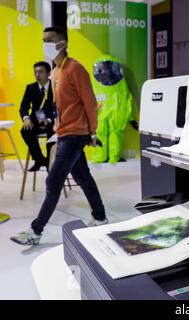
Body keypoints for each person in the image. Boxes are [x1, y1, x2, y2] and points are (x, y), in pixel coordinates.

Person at [11, 27, 108, 246]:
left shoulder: (76, 69)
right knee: (83, 177)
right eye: (43, 39)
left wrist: (92, 132)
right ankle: (100, 217)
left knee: (53, 180)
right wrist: (55, 125)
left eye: (50, 40)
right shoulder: (56, 71)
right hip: (64, 133)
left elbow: (90, 104)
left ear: (62, 43)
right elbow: (60, 106)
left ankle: (35, 231)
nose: (45, 43)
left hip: (76, 134)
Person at [20, 61, 55, 171]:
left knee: (53, 132)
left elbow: (59, 107)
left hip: (52, 120)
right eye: (35, 72)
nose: (37, 75)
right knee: (25, 130)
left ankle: (50, 162)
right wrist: (26, 118)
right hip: (36, 120)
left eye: (40, 72)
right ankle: (39, 159)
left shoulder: (55, 86)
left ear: (48, 73)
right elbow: (24, 106)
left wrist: (49, 120)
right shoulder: (31, 87)